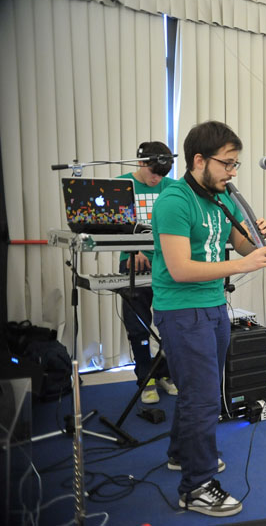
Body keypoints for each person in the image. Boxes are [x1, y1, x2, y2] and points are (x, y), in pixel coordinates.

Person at [151, 120, 266, 517]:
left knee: (199, 390)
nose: (232, 172)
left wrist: (258, 236)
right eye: (227, 163)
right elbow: (180, 269)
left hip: (212, 306)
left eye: (235, 164)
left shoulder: (220, 198)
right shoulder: (174, 201)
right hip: (181, 309)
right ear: (199, 160)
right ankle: (196, 486)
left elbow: (239, 243)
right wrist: (243, 264)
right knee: (203, 397)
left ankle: (181, 454)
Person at [117, 141, 177, 404]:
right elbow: (113, 226)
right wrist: (133, 249)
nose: (157, 179)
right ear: (140, 163)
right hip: (133, 264)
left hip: (167, 265)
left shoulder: (173, 188)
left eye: (162, 175)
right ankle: (146, 379)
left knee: (172, 325)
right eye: (153, 173)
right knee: (138, 328)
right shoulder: (121, 185)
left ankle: (164, 373)